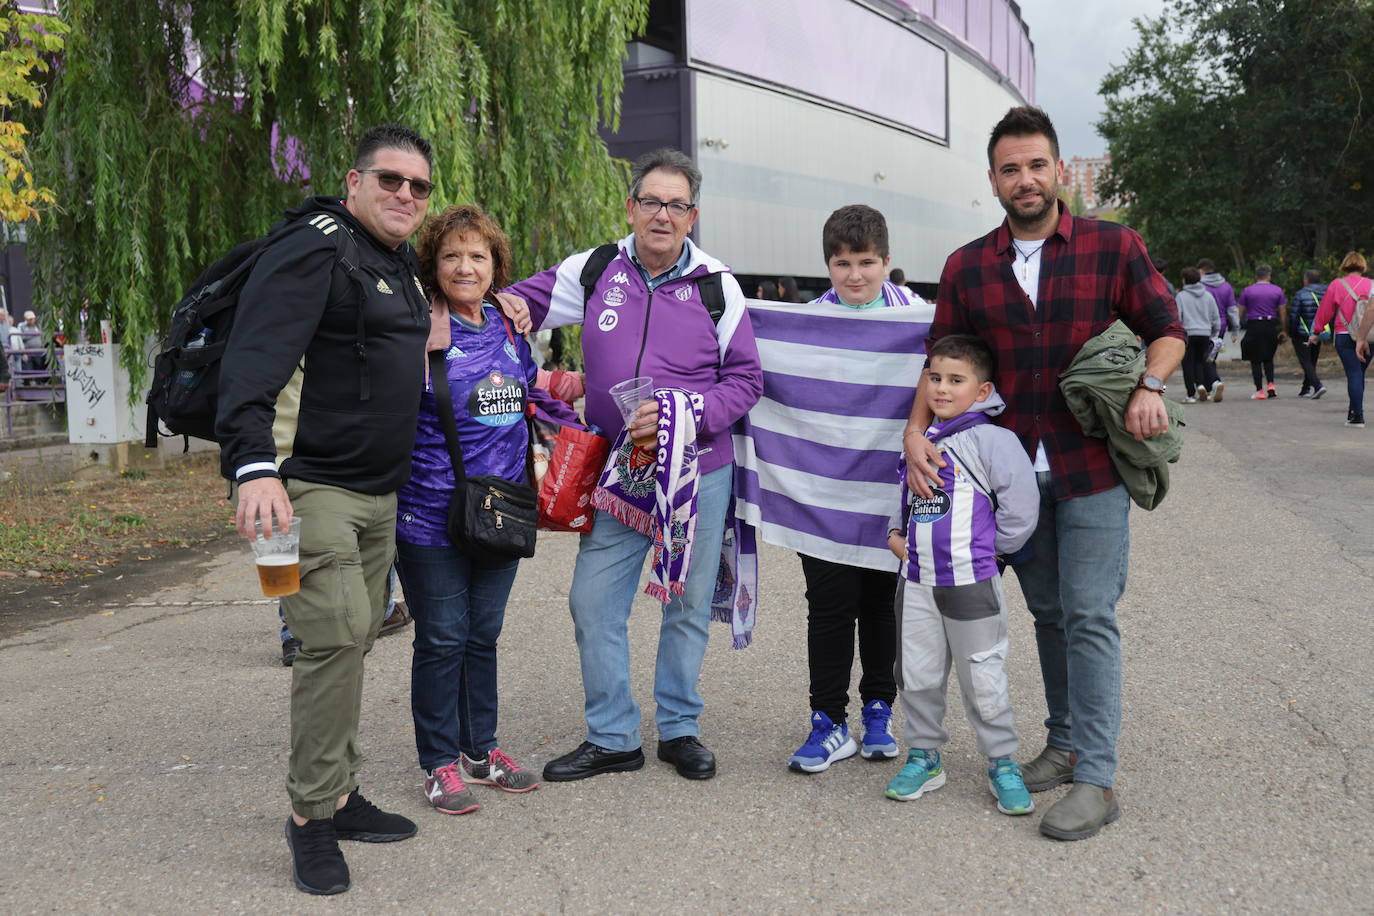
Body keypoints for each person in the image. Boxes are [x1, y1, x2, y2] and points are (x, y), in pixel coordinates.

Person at [904, 106, 1184, 841]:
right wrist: (914, 430)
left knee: (1089, 613)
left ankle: (1095, 776)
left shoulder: (1112, 246)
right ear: (992, 179)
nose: (1024, 180)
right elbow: (939, 359)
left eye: (1036, 165)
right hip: (1008, 483)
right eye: (1009, 168)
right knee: (1049, 614)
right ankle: (1062, 744)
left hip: (1091, 467)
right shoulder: (967, 266)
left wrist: (1150, 387)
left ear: (1059, 171)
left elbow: (1168, 329)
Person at [217, 124, 436, 896]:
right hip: (311, 487)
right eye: (390, 180)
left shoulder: (394, 260)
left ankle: (339, 794)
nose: (405, 194)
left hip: (379, 491)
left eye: (419, 186)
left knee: (354, 640)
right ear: (353, 181)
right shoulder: (315, 245)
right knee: (332, 638)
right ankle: (311, 816)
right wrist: (251, 468)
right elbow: (252, 359)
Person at [506, 147, 763, 783]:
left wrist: (685, 413)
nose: (662, 215)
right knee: (592, 600)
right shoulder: (595, 269)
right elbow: (513, 304)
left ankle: (679, 728)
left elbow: (747, 380)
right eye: (651, 201)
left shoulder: (715, 285)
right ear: (631, 207)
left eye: (677, 205)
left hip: (699, 469)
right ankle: (614, 736)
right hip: (621, 474)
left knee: (688, 602)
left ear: (692, 216)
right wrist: (481, 309)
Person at [397, 203, 580, 812]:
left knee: (483, 634)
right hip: (430, 513)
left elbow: (524, 392)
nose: (465, 265)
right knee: (443, 638)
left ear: (496, 264)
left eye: (477, 255)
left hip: (501, 509)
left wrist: (572, 392)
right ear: (433, 265)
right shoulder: (419, 327)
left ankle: (482, 750)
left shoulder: (508, 323)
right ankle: (439, 762)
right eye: (452, 255)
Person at [785, 204, 921, 773]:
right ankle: (827, 721)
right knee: (830, 607)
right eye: (843, 263)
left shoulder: (919, 320)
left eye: (867, 262)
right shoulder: (804, 325)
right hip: (826, 494)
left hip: (893, 492)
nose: (856, 275)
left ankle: (879, 708)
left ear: (887, 261)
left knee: (884, 608)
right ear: (827, 265)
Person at [884, 334, 1038, 814]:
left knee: (983, 675)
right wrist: (896, 533)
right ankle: (925, 755)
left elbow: (1021, 510)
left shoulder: (994, 441)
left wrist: (992, 554)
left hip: (971, 582)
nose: (942, 389)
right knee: (917, 673)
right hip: (917, 584)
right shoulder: (921, 440)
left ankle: (1002, 762)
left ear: (983, 390)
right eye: (934, 378)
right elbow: (908, 494)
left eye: (956, 380)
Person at [1316, 251, 1373, 427]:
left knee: (1353, 374)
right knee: (1359, 373)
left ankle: (1357, 415)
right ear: (1363, 265)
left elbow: (1325, 310)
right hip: (1370, 336)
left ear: (1345, 265)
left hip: (1345, 334)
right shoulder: (1371, 284)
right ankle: (1353, 411)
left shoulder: (1337, 285)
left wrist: (1317, 330)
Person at [1237, 265, 1287, 399]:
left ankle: (1259, 390)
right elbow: (1282, 312)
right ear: (1269, 276)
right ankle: (1271, 384)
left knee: (1255, 359)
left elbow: (1240, 312)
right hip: (1270, 325)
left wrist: (1236, 328)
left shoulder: (1247, 291)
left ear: (1256, 276)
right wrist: (1284, 330)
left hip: (1254, 325)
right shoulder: (1277, 290)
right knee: (1268, 357)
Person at [1175, 267, 1222, 404]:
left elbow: (1177, 316)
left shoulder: (1181, 296)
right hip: (1205, 333)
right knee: (1201, 361)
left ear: (1184, 280)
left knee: (1188, 364)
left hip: (1188, 333)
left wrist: (1178, 333)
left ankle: (1191, 394)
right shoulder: (1208, 295)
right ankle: (1202, 386)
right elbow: (1215, 316)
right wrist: (1214, 333)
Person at [1197, 258, 1240, 399]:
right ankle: (1210, 386)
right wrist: (1235, 329)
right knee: (1210, 357)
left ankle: (1211, 384)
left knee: (1203, 359)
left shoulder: (1199, 285)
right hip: (1220, 327)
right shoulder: (1226, 286)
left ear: (1202, 270)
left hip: (1201, 326)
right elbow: (1232, 310)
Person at [1289, 268, 1327, 399]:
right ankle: (1305, 389)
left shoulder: (1300, 294)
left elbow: (1294, 315)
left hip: (1302, 333)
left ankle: (1317, 385)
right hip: (1319, 331)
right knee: (1312, 360)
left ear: (1306, 280)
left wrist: (1291, 332)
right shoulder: (1326, 292)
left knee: (1306, 361)